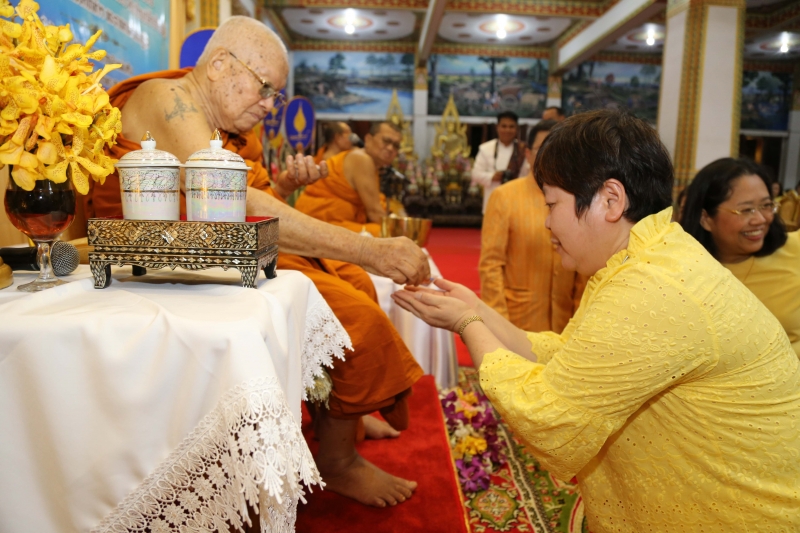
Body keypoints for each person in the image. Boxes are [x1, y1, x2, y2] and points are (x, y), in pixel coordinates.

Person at [393, 110, 800, 532]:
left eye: (552, 204)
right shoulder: (645, 257)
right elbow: (569, 357)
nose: (547, 222)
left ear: (610, 200)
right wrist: (479, 309)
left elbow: (547, 417)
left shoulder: (653, 286)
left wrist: (467, 324)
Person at [83, 16, 426, 508]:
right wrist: (372, 249)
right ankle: (338, 461)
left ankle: (341, 414)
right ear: (219, 65)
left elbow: (253, 199)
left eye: (275, 95)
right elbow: (234, 199)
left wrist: (285, 186)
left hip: (228, 248)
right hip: (170, 259)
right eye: (265, 88)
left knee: (356, 282)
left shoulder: (226, 127)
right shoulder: (167, 98)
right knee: (355, 315)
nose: (269, 105)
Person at [679, 157, 800, 357]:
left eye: (766, 205)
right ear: (706, 218)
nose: (760, 219)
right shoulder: (682, 274)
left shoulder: (795, 251)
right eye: (746, 210)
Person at [479, 119, 584, 333]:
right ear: (528, 154)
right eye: (543, 149)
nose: (552, 157)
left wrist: (582, 322)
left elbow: (582, 270)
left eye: (559, 150)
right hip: (518, 323)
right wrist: (500, 326)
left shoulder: (577, 199)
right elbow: (491, 266)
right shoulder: (505, 197)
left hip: (565, 326)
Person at [295, 122, 400, 236]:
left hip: (336, 222)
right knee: (383, 234)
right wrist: (400, 230)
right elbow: (374, 212)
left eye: (396, 146)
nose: (390, 148)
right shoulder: (362, 159)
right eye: (386, 141)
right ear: (368, 139)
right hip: (319, 223)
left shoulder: (370, 165)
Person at [472, 111, 530, 213]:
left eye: (511, 127)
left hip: (517, 201)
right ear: (497, 127)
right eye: (504, 126)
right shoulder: (485, 148)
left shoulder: (524, 150)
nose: (507, 130)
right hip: (492, 200)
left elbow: (530, 175)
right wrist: (492, 176)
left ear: (517, 128)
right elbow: (475, 174)